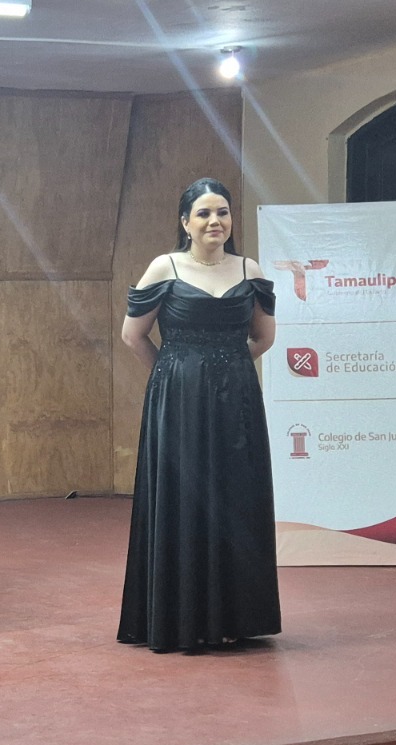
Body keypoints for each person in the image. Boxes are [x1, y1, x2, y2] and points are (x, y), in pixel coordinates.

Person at [117, 177, 282, 652]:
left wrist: (225, 367)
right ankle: (179, 617)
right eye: (204, 213)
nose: (215, 221)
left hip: (237, 400)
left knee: (236, 496)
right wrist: (173, 372)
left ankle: (234, 616)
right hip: (178, 400)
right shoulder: (164, 267)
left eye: (223, 212)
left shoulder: (249, 269)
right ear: (185, 222)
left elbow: (264, 337)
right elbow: (133, 336)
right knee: (183, 494)